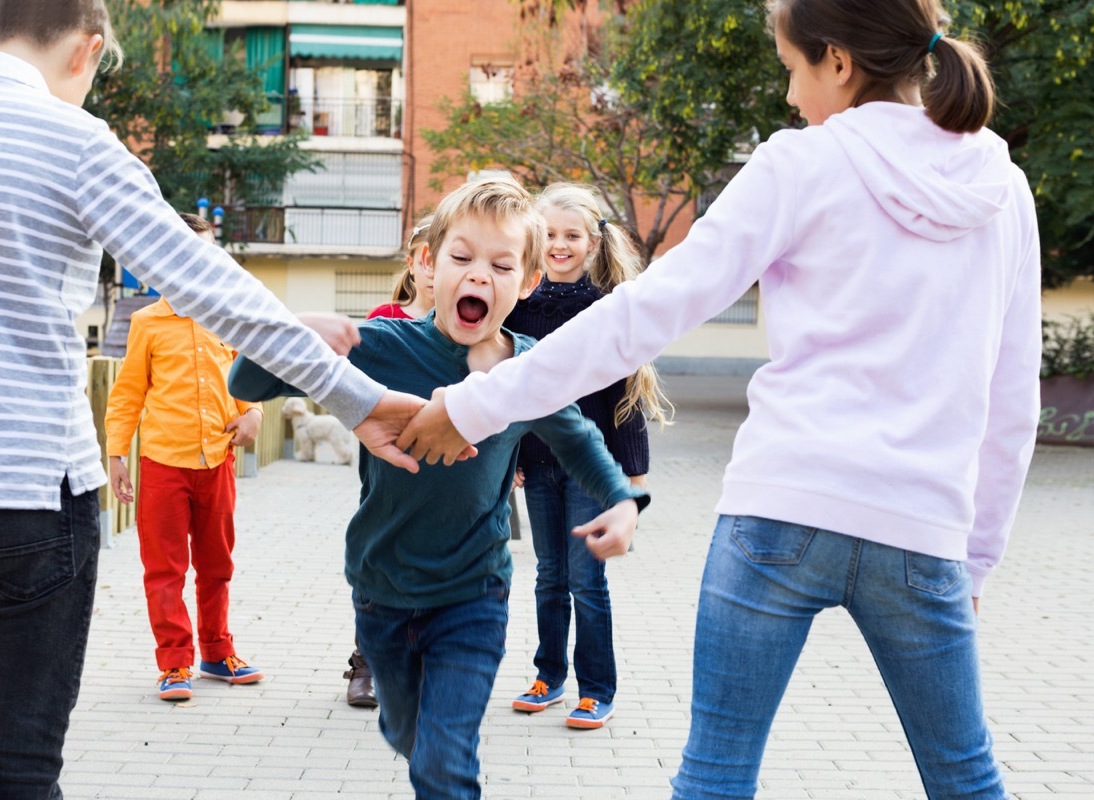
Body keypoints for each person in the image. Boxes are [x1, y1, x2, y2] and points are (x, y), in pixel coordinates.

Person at [397, 1, 1041, 797]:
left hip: (781, 513)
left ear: (838, 62)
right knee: (967, 779)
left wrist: (472, 404)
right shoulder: (1003, 189)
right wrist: (976, 558)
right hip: (924, 529)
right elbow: (1014, 400)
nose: (788, 96)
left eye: (791, 71)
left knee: (716, 775)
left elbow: (641, 314)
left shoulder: (801, 164)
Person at [0, 1, 421, 796]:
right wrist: (357, 398)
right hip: (29, 493)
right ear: (88, 52)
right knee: (9, 770)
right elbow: (205, 285)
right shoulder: (73, 140)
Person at [229, 177, 650, 799]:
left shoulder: (524, 370)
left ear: (527, 282)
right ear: (429, 264)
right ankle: (417, 739)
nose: (479, 274)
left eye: (501, 265)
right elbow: (250, 377)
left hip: (473, 595)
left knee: (443, 764)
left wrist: (621, 499)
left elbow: (579, 439)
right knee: (406, 733)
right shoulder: (382, 344)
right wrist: (293, 330)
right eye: (462, 258)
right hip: (382, 591)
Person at [504, 183, 669, 730]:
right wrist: (509, 457)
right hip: (537, 464)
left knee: (585, 581)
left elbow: (627, 398)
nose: (559, 244)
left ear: (593, 242)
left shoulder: (608, 310)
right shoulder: (519, 308)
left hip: (590, 469)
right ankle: (549, 676)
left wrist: (633, 481)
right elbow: (508, 387)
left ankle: (597, 689)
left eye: (571, 235)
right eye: (549, 234)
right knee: (548, 577)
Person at [104, 213, 268, 701]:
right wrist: (116, 455)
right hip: (162, 464)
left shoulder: (227, 315)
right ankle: (174, 663)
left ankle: (217, 653)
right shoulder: (147, 323)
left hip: (217, 460)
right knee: (165, 568)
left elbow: (245, 378)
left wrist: (254, 412)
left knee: (217, 563)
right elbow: (128, 393)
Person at [340, 213, 438, 709]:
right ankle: (367, 664)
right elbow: (353, 387)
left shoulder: (473, 329)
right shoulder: (384, 320)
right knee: (379, 559)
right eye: (435, 259)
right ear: (418, 263)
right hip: (386, 466)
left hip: (447, 472)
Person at [368, 214, 435, 320]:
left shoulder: (465, 322)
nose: (432, 274)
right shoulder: (384, 317)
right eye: (423, 263)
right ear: (411, 265)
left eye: (438, 265)